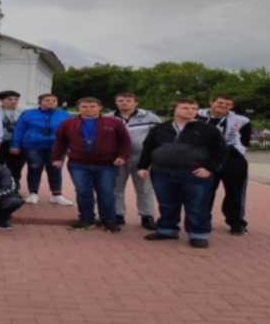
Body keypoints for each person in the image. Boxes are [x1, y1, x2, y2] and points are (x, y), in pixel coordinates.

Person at [137, 98, 227, 249]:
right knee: (166, 204)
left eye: (193, 108)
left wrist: (210, 169)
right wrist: (143, 166)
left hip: (194, 174)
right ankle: (167, 230)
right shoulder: (160, 128)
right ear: (175, 109)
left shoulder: (208, 130)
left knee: (197, 206)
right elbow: (148, 148)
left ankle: (198, 234)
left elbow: (221, 151)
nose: (190, 111)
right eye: (185, 108)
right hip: (162, 173)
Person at [53, 97, 132, 232]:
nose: (88, 109)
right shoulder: (68, 123)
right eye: (84, 106)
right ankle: (86, 219)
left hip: (106, 165)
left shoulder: (113, 122)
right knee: (83, 192)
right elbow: (60, 142)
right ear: (78, 108)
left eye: (92, 106)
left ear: (100, 107)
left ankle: (109, 221)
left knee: (106, 193)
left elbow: (125, 142)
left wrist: (122, 156)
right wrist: (57, 158)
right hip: (78, 164)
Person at [199, 95, 252, 235]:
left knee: (235, 192)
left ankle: (236, 222)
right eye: (220, 102)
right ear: (211, 102)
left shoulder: (242, 120)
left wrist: (235, 152)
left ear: (232, 107)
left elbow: (245, 141)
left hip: (232, 158)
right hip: (206, 157)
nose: (223, 106)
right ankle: (202, 221)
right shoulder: (197, 115)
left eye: (227, 104)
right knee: (205, 191)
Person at [109, 92, 161, 229]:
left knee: (144, 188)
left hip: (142, 158)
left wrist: (153, 156)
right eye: (120, 100)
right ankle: (117, 214)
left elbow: (159, 137)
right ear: (116, 102)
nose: (124, 103)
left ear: (135, 102)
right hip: (117, 158)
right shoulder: (108, 117)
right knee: (116, 188)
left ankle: (147, 216)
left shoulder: (150, 117)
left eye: (128, 100)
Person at [10, 94, 73, 206]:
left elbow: (72, 132)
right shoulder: (28, 114)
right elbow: (19, 129)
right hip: (33, 145)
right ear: (40, 102)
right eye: (47, 100)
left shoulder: (65, 115)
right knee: (34, 168)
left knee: (55, 169)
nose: (51, 102)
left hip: (56, 147)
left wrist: (70, 146)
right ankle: (33, 194)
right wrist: (15, 145)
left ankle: (56, 195)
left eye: (54, 100)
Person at [0, 90, 25, 190]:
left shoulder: (23, 111)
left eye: (16, 99)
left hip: (16, 143)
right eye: (10, 99)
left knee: (16, 166)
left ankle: (14, 185)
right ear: (1, 100)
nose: (13, 101)